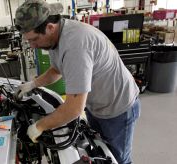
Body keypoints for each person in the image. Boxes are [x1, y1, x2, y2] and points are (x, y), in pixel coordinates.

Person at [14, 0, 141, 163]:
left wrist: (40, 126)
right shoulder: (56, 37)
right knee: (99, 151)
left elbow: (74, 108)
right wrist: (33, 84)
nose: (32, 46)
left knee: (117, 159)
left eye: (34, 39)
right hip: (97, 105)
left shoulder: (75, 46)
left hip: (118, 108)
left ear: (50, 27)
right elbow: (56, 70)